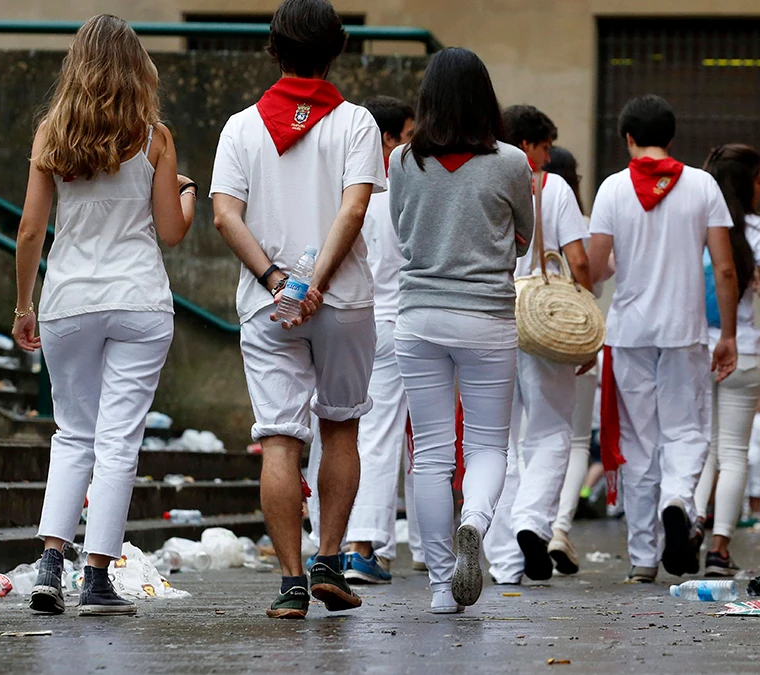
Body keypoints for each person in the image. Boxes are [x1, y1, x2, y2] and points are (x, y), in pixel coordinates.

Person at [12, 14, 196, 616]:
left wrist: (22, 306)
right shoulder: (154, 138)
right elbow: (171, 231)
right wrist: (188, 194)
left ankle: (48, 563)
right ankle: (95, 579)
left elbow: (31, 230)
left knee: (73, 433)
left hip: (69, 300)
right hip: (139, 300)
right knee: (119, 441)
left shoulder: (51, 135)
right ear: (136, 68)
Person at [211, 0, 385, 619]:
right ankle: (330, 561)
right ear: (336, 50)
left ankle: (289, 583)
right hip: (343, 299)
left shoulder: (240, 126)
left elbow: (225, 215)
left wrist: (278, 280)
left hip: (268, 304)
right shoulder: (358, 123)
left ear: (273, 49)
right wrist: (316, 282)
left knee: (280, 440)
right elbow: (354, 210)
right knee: (340, 427)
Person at [388, 48, 533, 613]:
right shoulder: (511, 163)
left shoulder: (402, 161)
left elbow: (402, 231)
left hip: (419, 316)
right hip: (487, 318)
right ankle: (474, 519)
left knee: (430, 454)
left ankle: (440, 589)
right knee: (488, 443)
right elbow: (523, 235)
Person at [588, 94, 739, 582]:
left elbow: (594, 267)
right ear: (671, 137)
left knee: (637, 441)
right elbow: (725, 268)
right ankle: (679, 501)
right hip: (684, 332)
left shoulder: (612, 189)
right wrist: (730, 334)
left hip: (628, 332)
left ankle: (642, 560)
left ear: (628, 138)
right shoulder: (702, 185)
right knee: (686, 432)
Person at [307, 95, 415, 585]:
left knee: (322, 431)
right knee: (375, 434)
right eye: (407, 137)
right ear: (386, 140)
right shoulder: (400, 195)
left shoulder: (334, 192)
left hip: (332, 314)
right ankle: (361, 544)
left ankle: (322, 540)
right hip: (389, 321)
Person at [484, 112, 592, 585]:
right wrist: (586, 317)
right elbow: (580, 258)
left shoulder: (480, 176)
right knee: (550, 433)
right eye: (547, 147)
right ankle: (532, 521)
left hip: (488, 318)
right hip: (545, 322)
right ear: (529, 145)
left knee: (496, 443)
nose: (550, 157)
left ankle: (505, 563)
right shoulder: (551, 188)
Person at [691, 144, 760, 577]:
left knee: (700, 449)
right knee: (732, 453)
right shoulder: (754, 228)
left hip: (694, 350)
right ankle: (719, 549)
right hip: (742, 350)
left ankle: (690, 526)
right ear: (744, 183)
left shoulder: (694, 223)